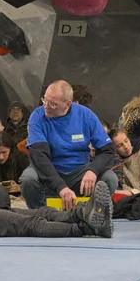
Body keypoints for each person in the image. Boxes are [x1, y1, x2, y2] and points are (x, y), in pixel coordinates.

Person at [20, 81, 119, 209]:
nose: (46, 106)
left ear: (67, 104)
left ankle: (93, 213)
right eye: (45, 100)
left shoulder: (86, 115)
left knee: (110, 178)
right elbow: (39, 157)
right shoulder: (37, 117)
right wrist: (60, 187)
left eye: (52, 104)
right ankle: (40, 214)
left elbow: (108, 151)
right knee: (28, 179)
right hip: (49, 170)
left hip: (80, 172)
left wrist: (93, 171)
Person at [0, 129, 26, 195]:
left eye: (4, 152)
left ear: (10, 150)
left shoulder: (20, 158)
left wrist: (20, 188)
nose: (1, 157)